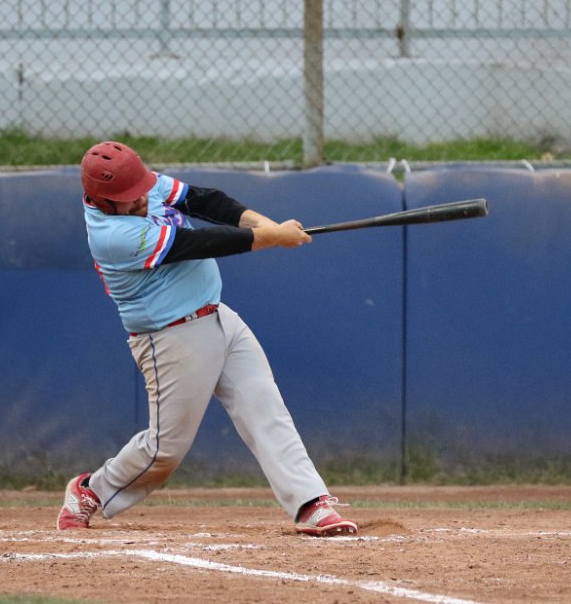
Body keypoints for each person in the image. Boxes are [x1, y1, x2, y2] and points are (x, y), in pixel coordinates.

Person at [55, 140, 357, 537]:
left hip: (217, 315)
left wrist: (267, 225)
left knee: (264, 407)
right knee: (164, 450)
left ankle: (310, 503)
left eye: (140, 188)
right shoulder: (113, 236)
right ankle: (91, 490)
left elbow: (205, 201)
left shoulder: (139, 186)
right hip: (170, 337)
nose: (141, 198)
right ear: (104, 201)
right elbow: (201, 244)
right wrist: (271, 237)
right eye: (129, 197)